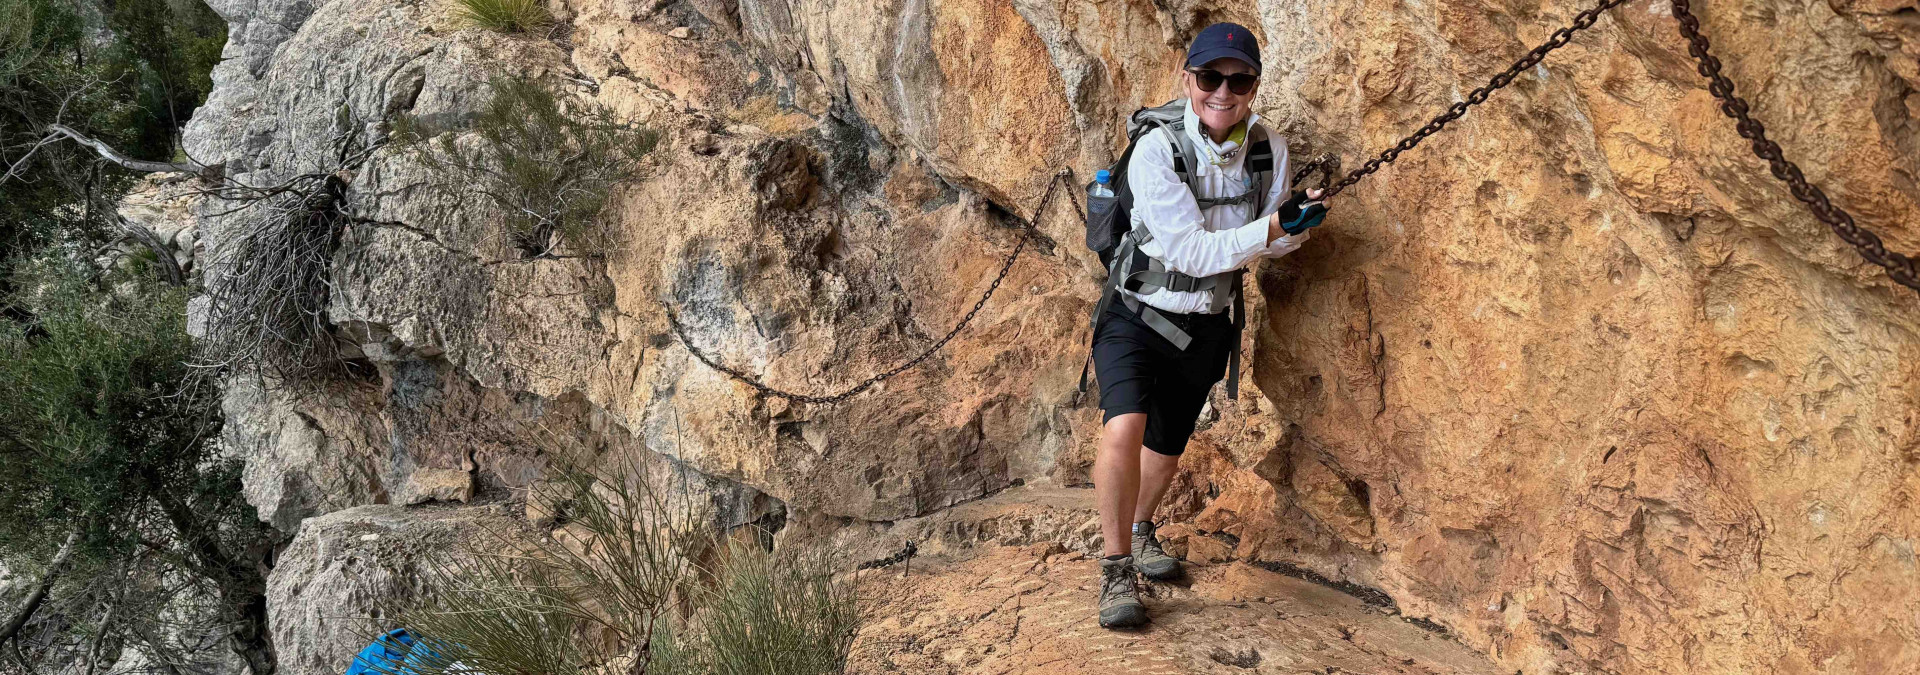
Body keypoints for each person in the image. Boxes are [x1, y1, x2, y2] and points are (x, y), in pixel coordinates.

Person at [1091, 21, 1326, 629]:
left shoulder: (1268, 149)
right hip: (1138, 315)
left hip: (1205, 325)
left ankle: (1141, 530)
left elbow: (1264, 248)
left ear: (1253, 86)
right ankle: (1116, 568)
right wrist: (1272, 229)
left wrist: (1294, 229)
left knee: (1165, 453)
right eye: (1210, 77)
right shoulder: (1156, 149)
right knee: (1125, 428)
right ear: (1189, 79)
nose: (1223, 91)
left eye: (1239, 79)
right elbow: (1187, 251)